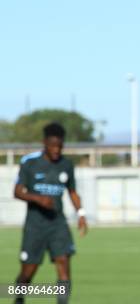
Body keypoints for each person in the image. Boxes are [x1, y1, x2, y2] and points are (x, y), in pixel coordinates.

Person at [13, 123, 88, 304]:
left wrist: (81, 213)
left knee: (64, 266)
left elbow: (72, 192)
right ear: (44, 143)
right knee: (27, 274)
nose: (56, 150)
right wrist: (38, 199)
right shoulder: (29, 163)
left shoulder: (66, 165)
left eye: (60, 146)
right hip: (35, 226)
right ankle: (18, 299)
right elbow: (17, 191)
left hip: (57, 224)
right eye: (52, 146)